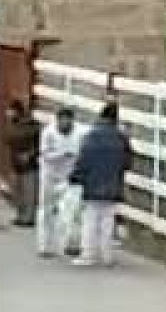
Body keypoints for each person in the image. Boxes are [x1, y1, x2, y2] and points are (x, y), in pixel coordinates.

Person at [69, 102, 132, 268]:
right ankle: (107, 256)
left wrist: (76, 176)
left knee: (90, 220)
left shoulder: (92, 135)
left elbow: (83, 159)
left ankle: (88, 254)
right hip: (113, 184)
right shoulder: (121, 138)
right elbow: (127, 162)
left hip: (93, 183)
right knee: (108, 221)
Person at [38, 105, 83, 257]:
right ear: (57, 120)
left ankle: (72, 244)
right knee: (46, 209)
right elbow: (44, 154)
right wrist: (62, 154)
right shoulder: (48, 132)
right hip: (50, 175)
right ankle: (45, 246)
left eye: (68, 121)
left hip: (69, 177)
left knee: (73, 210)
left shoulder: (79, 132)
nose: (65, 124)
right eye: (62, 121)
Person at [4, 100, 42, 228]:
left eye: (10, 110)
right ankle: (20, 215)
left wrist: (30, 155)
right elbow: (7, 140)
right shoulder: (11, 124)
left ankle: (29, 217)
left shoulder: (32, 125)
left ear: (17, 111)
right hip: (15, 162)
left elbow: (39, 144)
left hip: (30, 164)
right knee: (17, 191)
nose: (8, 113)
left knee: (29, 191)